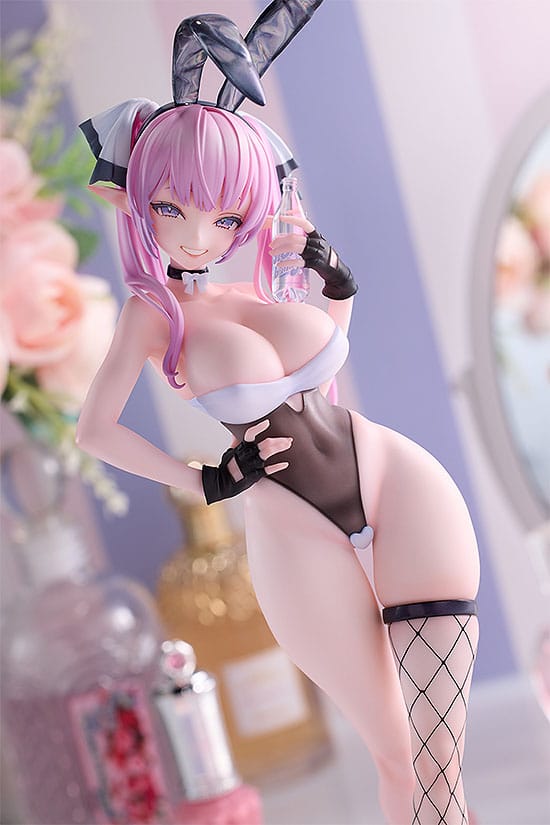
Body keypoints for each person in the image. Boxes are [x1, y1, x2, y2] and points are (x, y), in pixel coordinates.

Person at [77, 5, 480, 823]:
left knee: (442, 757)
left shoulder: (264, 284)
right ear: (140, 199)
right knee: (399, 756)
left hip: (397, 477)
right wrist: (203, 481)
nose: (200, 235)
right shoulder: (154, 315)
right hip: (293, 526)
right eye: (173, 209)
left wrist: (338, 287)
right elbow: (95, 430)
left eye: (226, 216)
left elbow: (323, 362)